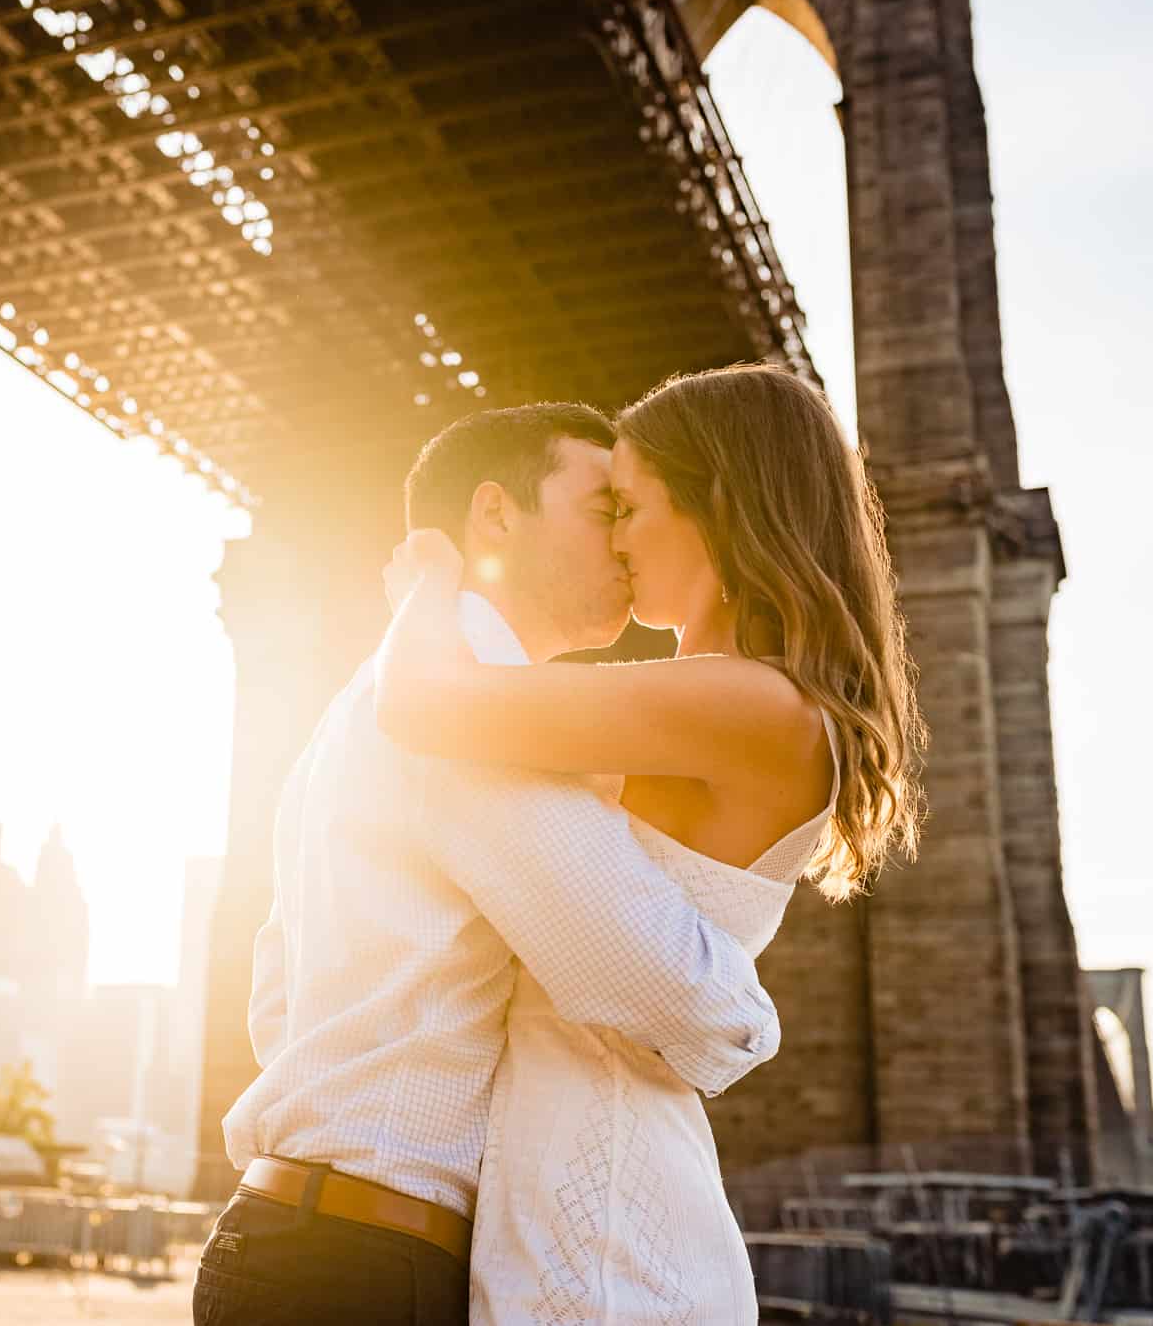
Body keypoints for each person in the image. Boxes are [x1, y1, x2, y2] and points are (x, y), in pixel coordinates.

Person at [196, 401, 782, 1326]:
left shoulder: (362, 702)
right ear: (496, 515)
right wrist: (748, 1011)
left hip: (292, 1235)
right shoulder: (468, 703)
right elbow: (664, 983)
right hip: (367, 1264)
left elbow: (277, 1000)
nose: (626, 544)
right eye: (603, 511)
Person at [376, 364, 926, 1323]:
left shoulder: (744, 699)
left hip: (608, 1233)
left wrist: (429, 574)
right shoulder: (716, 702)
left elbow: (427, 703)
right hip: (579, 1202)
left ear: (712, 501)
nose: (615, 539)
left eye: (627, 506)